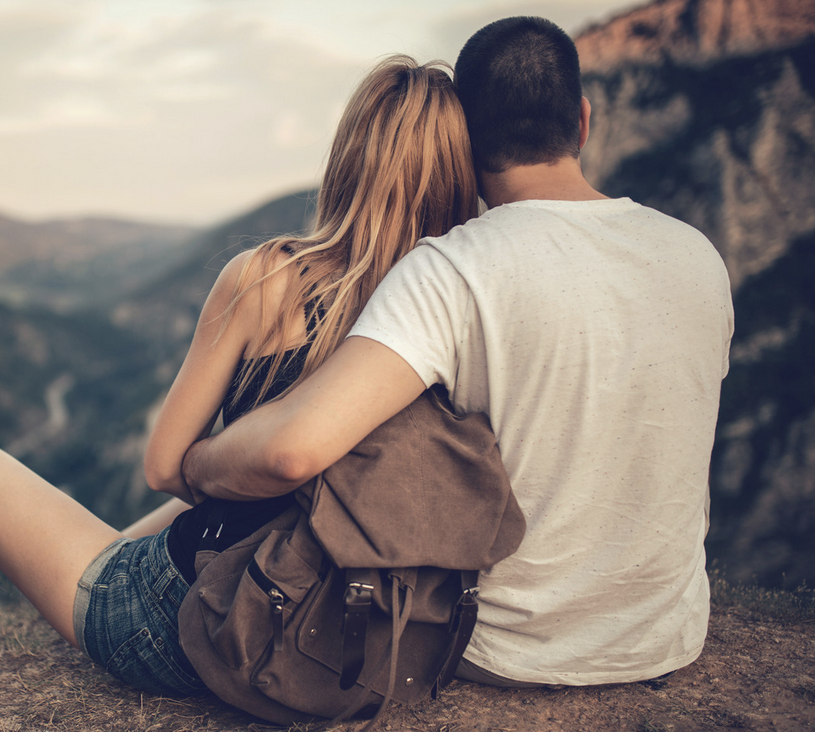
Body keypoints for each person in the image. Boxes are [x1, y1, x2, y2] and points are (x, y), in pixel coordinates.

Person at [0, 56, 481, 695]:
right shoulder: (459, 306)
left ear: (348, 158)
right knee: (125, 539)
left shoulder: (268, 277)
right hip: (353, 624)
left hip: (206, 623)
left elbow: (165, 465)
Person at [181, 16, 734, 687]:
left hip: (503, 651)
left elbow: (292, 451)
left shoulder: (455, 267)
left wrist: (197, 465)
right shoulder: (699, 257)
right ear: (583, 123)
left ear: (463, 143)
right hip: (664, 639)